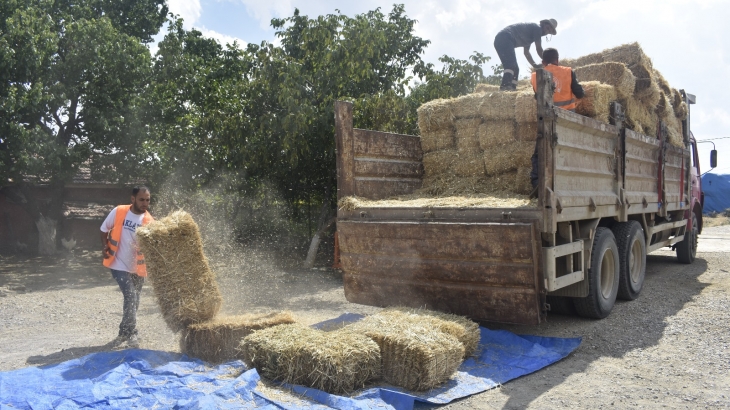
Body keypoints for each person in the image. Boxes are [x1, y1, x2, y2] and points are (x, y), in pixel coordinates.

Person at [100, 186, 154, 347]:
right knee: (130, 296)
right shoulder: (119, 211)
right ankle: (132, 333)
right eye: (141, 199)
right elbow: (104, 229)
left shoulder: (150, 222)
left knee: (135, 300)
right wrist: (104, 246)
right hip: (117, 264)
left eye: (148, 200)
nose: (145, 203)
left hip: (138, 268)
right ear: (133, 199)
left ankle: (125, 331)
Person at [528, 48, 585, 195]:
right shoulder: (568, 72)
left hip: (546, 121)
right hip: (566, 122)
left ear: (543, 62)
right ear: (557, 60)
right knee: (567, 153)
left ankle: (537, 186)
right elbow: (580, 94)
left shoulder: (535, 76)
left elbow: (537, 97)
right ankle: (568, 187)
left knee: (539, 154)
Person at [494, 19, 558, 91]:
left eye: (549, 31)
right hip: (505, 37)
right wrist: (548, 62)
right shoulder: (537, 28)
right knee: (511, 65)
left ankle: (512, 90)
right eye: (547, 28)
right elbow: (539, 49)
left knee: (516, 69)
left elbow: (526, 52)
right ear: (543, 24)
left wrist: (534, 65)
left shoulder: (530, 37)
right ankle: (505, 87)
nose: (546, 31)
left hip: (501, 39)